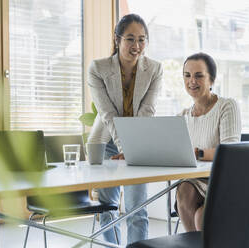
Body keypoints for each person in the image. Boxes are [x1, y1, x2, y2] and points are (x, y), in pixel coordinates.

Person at [87, 14, 163, 245]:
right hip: (107, 141)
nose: (137, 46)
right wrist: (124, 147)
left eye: (142, 39)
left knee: (137, 208)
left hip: (138, 141)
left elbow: (147, 110)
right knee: (107, 208)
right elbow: (107, 114)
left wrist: (133, 148)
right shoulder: (98, 68)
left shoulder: (155, 69)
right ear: (117, 39)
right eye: (131, 39)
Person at [175, 52, 241, 232]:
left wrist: (198, 153)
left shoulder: (227, 106)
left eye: (199, 76)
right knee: (185, 189)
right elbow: (167, 149)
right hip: (195, 183)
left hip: (224, 180)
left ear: (211, 80)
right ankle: (193, 244)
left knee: (201, 216)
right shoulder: (181, 117)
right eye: (187, 75)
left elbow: (231, 151)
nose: (192, 81)